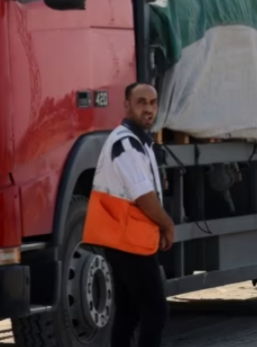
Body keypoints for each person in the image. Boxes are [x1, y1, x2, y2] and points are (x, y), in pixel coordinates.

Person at [82, 83, 174, 347]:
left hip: (125, 237)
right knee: (155, 311)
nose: (148, 108)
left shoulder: (135, 140)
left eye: (153, 103)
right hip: (129, 240)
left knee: (129, 312)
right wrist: (167, 223)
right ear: (126, 106)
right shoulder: (127, 144)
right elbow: (143, 195)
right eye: (141, 102)